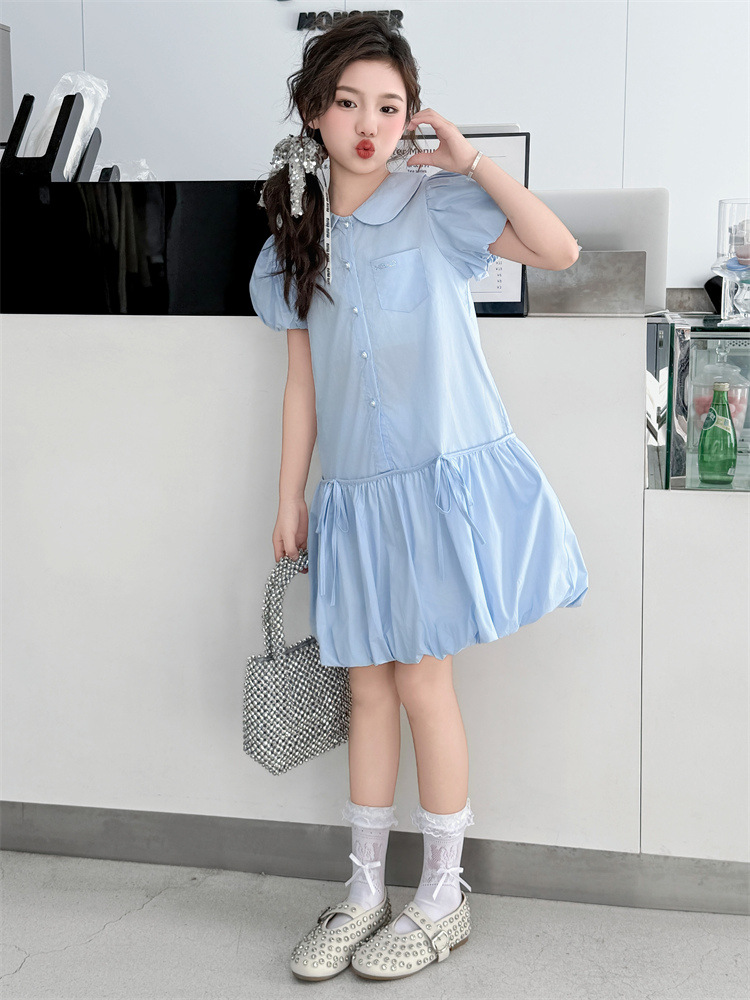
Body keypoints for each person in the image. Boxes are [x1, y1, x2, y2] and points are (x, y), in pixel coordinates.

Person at [249, 12, 589, 983]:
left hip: (435, 491)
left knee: (421, 684)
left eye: (390, 107)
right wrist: (290, 496)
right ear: (313, 112)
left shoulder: (436, 204)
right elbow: (302, 385)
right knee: (366, 690)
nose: (369, 124)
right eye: (349, 102)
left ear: (412, 118)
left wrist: (471, 159)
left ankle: (443, 896)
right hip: (355, 499)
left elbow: (558, 250)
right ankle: (364, 891)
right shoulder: (293, 240)